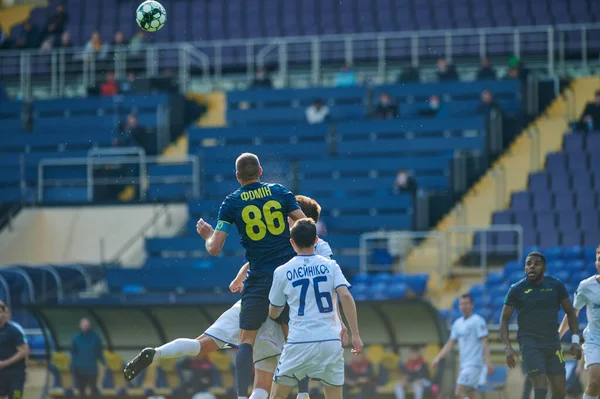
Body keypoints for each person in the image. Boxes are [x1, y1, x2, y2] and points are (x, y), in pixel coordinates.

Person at [125, 195, 335, 399]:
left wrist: (236, 274)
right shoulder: (317, 246)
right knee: (264, 381)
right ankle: (303, 393)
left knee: (202, 345)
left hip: (251, 298)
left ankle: (157, 353)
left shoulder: (276, 237)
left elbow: (256, 260)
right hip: (283, 307)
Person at [198, 153, 306, 399]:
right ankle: (303, 393)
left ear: (237, 176)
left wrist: (207, 236)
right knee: (293, 336)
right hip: (287, 275)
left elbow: (214, 248)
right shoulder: (280, 192)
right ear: (260, 171)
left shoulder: (232, 202)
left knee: (246, 340)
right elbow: (305, 224)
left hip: (258, 277)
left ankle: (239, 396)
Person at [268, 218, 363, 399]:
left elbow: (275, 311)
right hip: (330, 341)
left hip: (299, 342)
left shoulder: (282, 271)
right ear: (316, 240)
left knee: (277, 396)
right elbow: (345, 296)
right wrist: (355, 334)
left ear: (292, 242)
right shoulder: (331, 266)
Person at [500, 252, 582, 399]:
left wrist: (575, 340)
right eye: (528, 264)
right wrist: (508, 347)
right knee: (540, 387)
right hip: (529, 344)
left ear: (544, 268)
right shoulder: (516, 289)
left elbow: (570, 312)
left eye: (536, 264)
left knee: (559, 392)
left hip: (552, 343)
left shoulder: (556, 286)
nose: (531, 267)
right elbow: (504, 319)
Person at [558, 245, 600, 399]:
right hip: (595, 340)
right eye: (599, 260)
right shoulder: (586, 286)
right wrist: (558, 336)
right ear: (596, 264)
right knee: (595, 383)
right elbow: (572, 313)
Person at [431, 294, 493, 398]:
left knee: (459, 390)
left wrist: (488, 361)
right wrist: (438, 357)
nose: (463, 306)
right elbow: (450, 343)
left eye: (466, 303)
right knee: (471, 393)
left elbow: (485, 342)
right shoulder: (457, 323)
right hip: (464, 364)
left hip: (474, 364)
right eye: (461, 304)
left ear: (472, 305)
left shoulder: (477, 321)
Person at [0, 301, 29, 399]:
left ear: (4, 314)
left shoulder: (14, 330)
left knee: (16, 396)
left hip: (15, 374)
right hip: (1, 374)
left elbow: (24, 351)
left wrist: (6, 362)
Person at [71, 318, 105, 399]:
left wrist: (104, 363)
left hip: (92, 369)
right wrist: (73, 366)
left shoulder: (95, 337)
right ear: (80, 326)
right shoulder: (76, 338)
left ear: (89, 326)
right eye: (83, 325)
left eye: (86, 325)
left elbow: (99, 352)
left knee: (93, 390)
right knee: (81, 391)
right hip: (79, 369)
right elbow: (73, 353)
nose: (85, 326)